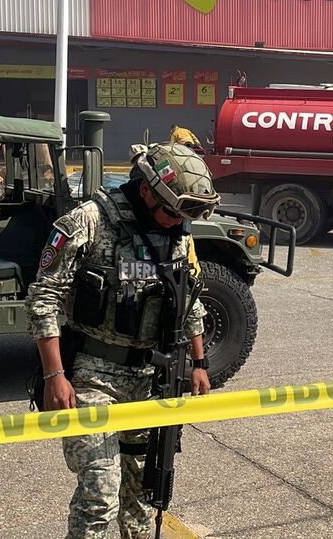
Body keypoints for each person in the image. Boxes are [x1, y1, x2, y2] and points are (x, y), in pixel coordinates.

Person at [27, 142, 220, 539]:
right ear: (147, 190)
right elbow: (43, 298)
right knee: (100, 495)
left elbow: (188, 299)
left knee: (143, 494)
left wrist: (199, 364)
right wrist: (54, 375)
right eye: (171, 211)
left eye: (184, 214)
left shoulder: (177, 231)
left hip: (150, 378)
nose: (176, 221)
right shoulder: (89, 220)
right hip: (91, 377)